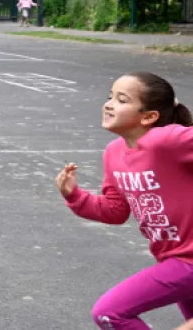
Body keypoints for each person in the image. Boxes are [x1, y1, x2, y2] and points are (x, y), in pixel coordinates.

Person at [56, 72, 193, 329]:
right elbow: (114, 210)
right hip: (171, 257)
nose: (109, 104)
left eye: (121, 100)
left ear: (149, 116)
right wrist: (74, 195)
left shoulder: (166, 140)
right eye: (110, 97)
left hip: (187, 262)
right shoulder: (115, 152)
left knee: (110, 312)